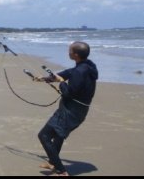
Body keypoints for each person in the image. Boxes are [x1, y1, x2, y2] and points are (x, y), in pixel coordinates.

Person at [34, 41, 98, 176]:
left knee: (44, 136)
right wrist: (45, 78)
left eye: (69, 51)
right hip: (78, 111)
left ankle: (62, 171)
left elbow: (68, 93)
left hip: (70, 112)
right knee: (58, 136)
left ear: (75, 54)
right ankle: (53, 162)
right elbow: (65, 74)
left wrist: (61, 82)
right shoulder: (87, 66)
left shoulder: (80, 71)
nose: (68, 52)